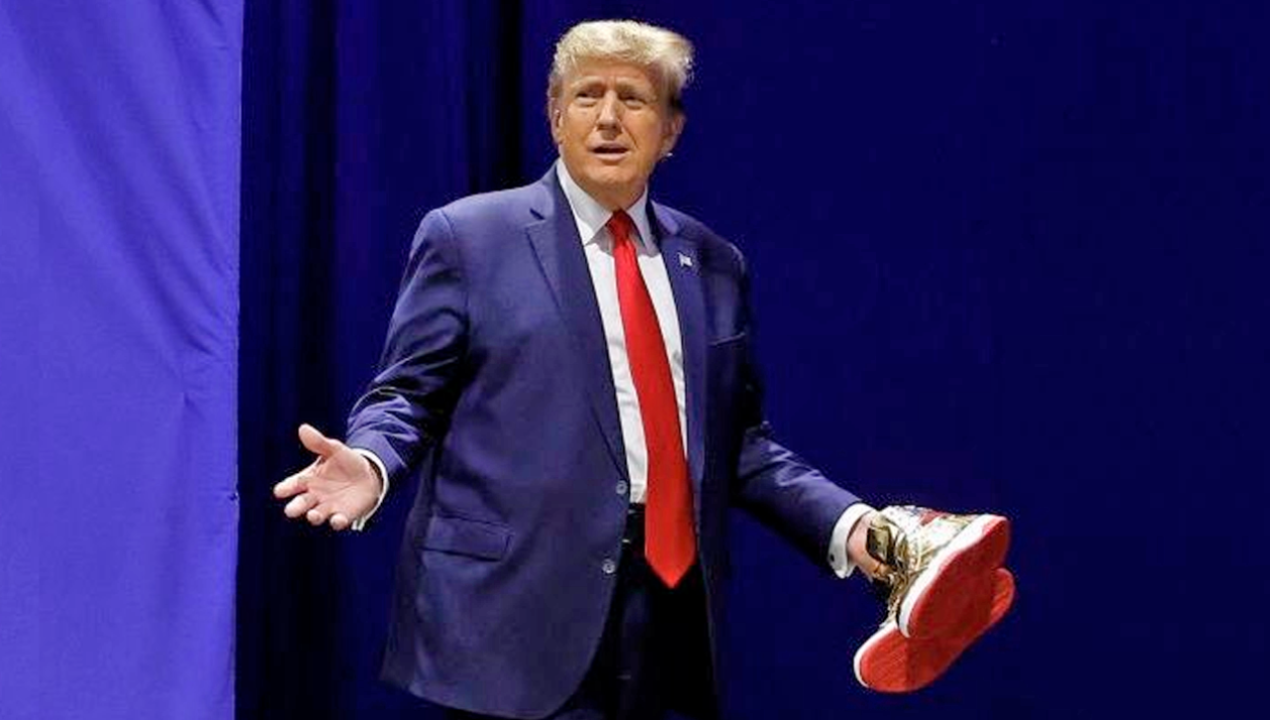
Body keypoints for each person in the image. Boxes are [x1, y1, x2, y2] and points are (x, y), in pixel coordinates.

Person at [273, 19, 1013, 719]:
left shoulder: (713, 262)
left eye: (632, 99)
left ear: (670, 132)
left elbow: (739, 445)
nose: (607, 117)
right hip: (511, 617)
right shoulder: (470, 237)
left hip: (668, 620)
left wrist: (856, 528)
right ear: (554, 117)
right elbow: (408, 392)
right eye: (586, 95)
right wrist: (373, 463)